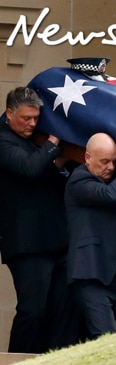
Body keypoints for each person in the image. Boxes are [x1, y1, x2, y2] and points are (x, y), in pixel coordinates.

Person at [0, 87, 79, 353]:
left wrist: (59, 161)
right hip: (28, 244)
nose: (32, 124)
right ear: (9, 113)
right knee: (32, 311)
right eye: (26, 118)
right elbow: (29, 170)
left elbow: (49, 179)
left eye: (36, 118)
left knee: (62, 314)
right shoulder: (3, 139)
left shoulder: (33, 142)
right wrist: (55, 141)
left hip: (57, 240)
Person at [65, 132, 116, 339]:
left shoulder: (113, 184)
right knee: (105, 337)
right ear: (87, 158)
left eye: (113, 161)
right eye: (104, 161)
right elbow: (110, 197)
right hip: (92, 274)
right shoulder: (79, 180)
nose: (110, 167)